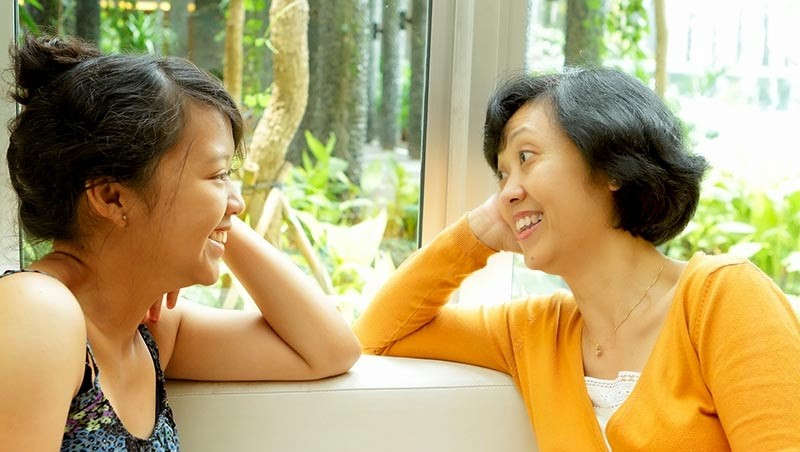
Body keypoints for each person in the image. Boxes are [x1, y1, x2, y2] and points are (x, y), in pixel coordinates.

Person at [354, 68, 800, 450]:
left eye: (526, 157)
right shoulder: (533, 333)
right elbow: (376, 336)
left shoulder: (721, 298)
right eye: (502, 173)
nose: (507, 191)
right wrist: (478, 235)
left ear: (610, 166)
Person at [0, 35, 361, 451]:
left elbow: (330, 350)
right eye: (218, 175)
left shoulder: (147, 333)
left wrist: (207, 229)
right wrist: (197, 230)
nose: (238, 203)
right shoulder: (35, 311)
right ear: (111, 196)